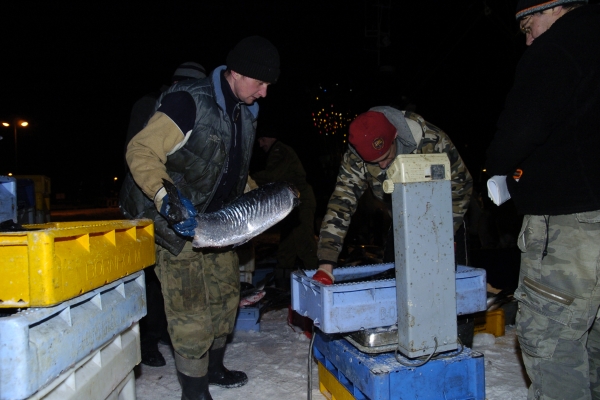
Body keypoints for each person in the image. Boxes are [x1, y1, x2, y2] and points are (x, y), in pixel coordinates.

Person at [119, 36, 280, 400]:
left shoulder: (245, 109)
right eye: (261, 82)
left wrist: (260, 201)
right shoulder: (189, 102)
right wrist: (166, 199)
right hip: (171, 221)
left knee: (225, 297)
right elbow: (141, 150)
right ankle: (193, 390)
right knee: (190, 306)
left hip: (215, 223)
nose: (265, 92)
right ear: (237, 74)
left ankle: (215, 367)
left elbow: (232, 170)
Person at [485, 1, 600, 398]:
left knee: (551, 343)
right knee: (594, 339)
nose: (530, 41)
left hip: (569, 225)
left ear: (552, 8)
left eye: (529, 27)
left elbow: (522, 126)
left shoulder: (560, 47)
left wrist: (498, 164)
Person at [314, 106, 472, 285]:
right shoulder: (356, 157)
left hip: (444, 218)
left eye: (386, 157)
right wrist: (326, 263)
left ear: (395, 136)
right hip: (402, 221)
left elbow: (461, 185)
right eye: (374, 162)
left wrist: (445, 234)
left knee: (450, 289)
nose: (382, 166)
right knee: (394, 285)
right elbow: (341, 204)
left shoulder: (433, 142)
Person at [126, 61, 206, 368]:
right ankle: (147, 342)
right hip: (146, 202)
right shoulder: (151, 106)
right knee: (149, 279)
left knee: (165, 284)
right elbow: (137, 151)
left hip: (174, 202)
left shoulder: (195, 109)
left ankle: (160, 334)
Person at [251, 133, 318, 289]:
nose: (261, 144)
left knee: (304, 244)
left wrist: (248, 178)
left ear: (272, 137)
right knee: (287, 246)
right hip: (290, 204)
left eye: (263, 139)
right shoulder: (277, 152)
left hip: (301, 201)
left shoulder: (280, 150)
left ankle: (316, 284)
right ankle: (283, 286)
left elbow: (272, 176)